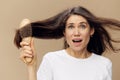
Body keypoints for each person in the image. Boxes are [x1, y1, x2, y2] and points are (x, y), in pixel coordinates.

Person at [14, 6, 120, 80]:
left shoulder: (104, 64)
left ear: (91, 30)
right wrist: (31, 67)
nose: (76, 33)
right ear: (64, 32)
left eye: (82, 26)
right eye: (71, 27)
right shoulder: (51, 60)